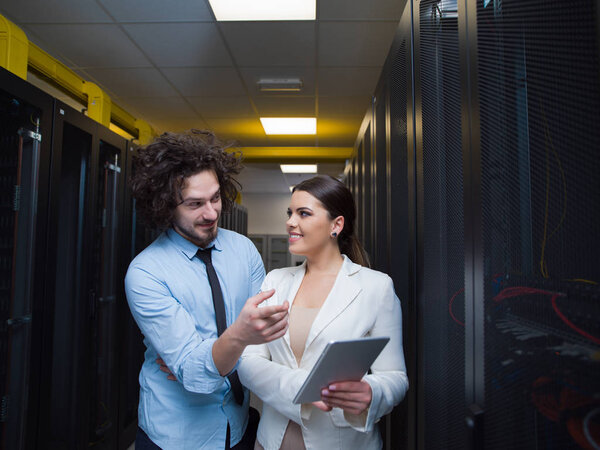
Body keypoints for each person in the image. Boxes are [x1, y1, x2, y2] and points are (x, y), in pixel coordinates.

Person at [124, 130, 289, 450]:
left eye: (215, 198)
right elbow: (196, 374)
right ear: (165, 205)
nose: (212, 213)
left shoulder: (243, 249)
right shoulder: (146, 273)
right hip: (176, 434)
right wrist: (238, 338)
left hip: (238, 424)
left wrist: (214, 359)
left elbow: (269, 339)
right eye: (195, 204)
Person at [236, 175, 409, 450]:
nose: (291, 222)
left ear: (336, 225)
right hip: (273, 439)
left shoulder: (376, 287)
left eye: (303, 213)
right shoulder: (275, 282)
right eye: (290, 213)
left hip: (342, 441)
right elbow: (248, 363)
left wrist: (372, 392)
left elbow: (396, 378)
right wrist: (303, 386)